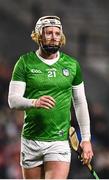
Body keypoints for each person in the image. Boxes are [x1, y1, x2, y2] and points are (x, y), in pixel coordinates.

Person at [8, 16, 93, 179]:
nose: (54, 36)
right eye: (49, 33)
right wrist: (34, 102)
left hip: (59, 141)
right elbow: (13, 100)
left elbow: (80, 103)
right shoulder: (25, 63)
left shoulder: (72, 65)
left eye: (57, 33)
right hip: (31, 140)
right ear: (38, 36)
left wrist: (86, 139)